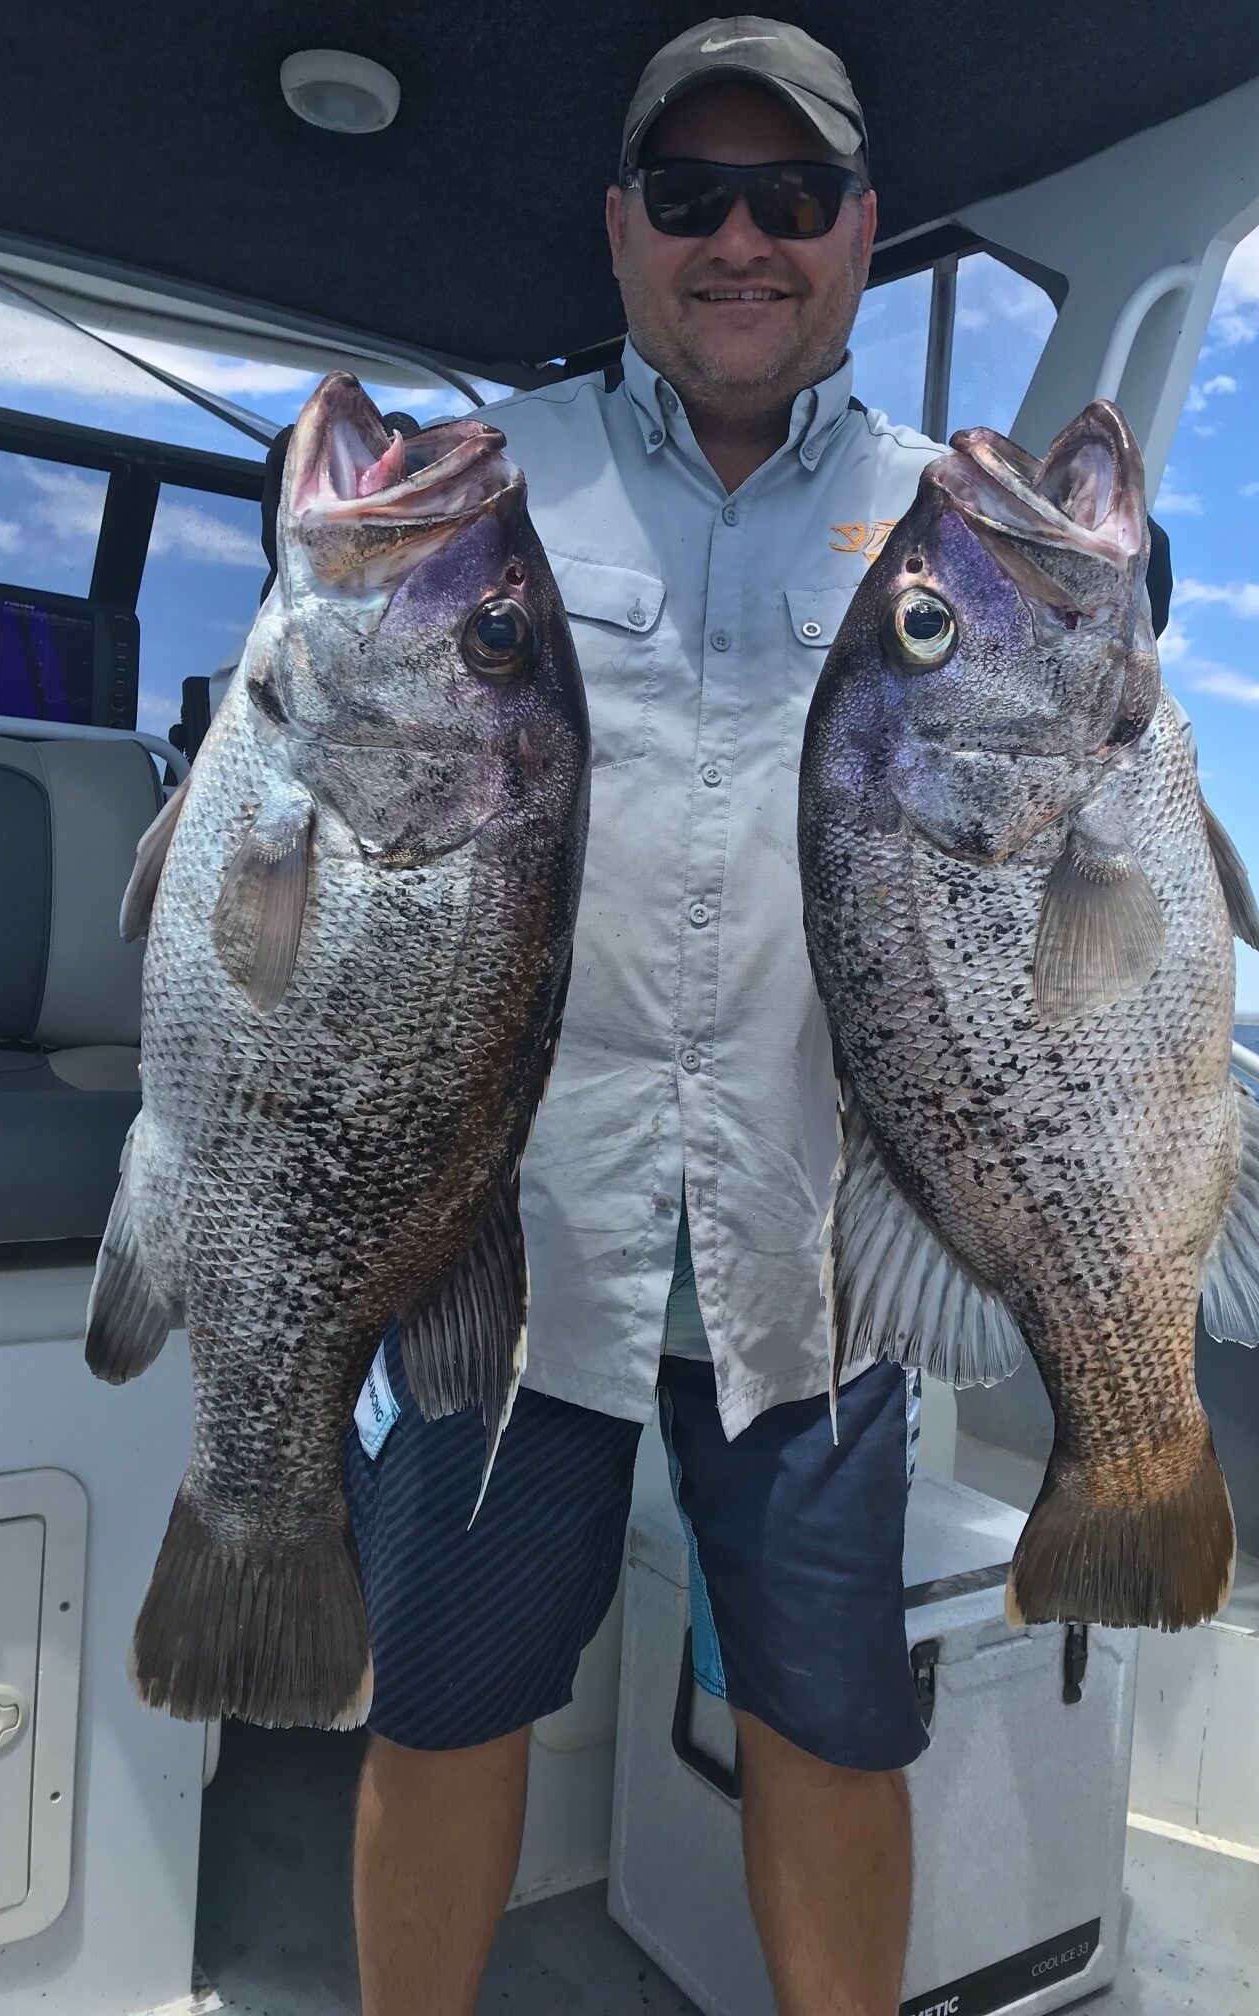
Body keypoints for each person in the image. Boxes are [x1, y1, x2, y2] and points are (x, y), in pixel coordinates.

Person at [319, 20, 1172, 2015]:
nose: (741, 239)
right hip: (500, 1231)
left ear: (861, 236)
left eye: (791, 199)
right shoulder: (472, 487)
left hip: (816, 1240)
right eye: (691, 195)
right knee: (442, 1713)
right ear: (619, 231)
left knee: (829, 1723)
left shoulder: (955, 524)